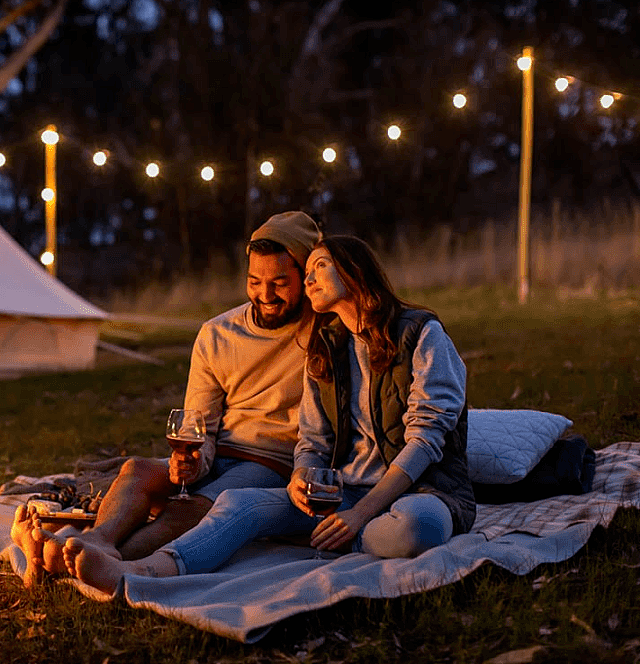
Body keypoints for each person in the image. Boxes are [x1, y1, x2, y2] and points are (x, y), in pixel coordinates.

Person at [58, 235, 476, 594]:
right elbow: (313, 440)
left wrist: (360, 515)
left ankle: (333, 535)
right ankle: (140, 572)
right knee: (239, 504)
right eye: (306, 270)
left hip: (422, 493)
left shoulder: (421, 333)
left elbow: (426, 439)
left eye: (318, 268)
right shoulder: (326, 343)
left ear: (352, 273)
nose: (307, 278)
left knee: (417, 529)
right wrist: (301, 477)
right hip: (341, 493)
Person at [10, 211, 323, 586]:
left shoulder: (324, 331)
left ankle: (96, 559)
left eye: (280, 283)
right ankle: (94, 540)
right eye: (255, 281)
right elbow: (199, 425)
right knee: (137, 470)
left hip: (272, 464)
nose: (265, 295)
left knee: (190, 507)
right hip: (222, 452)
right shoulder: (218, 334)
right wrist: (192, 462)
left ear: (307, 278)